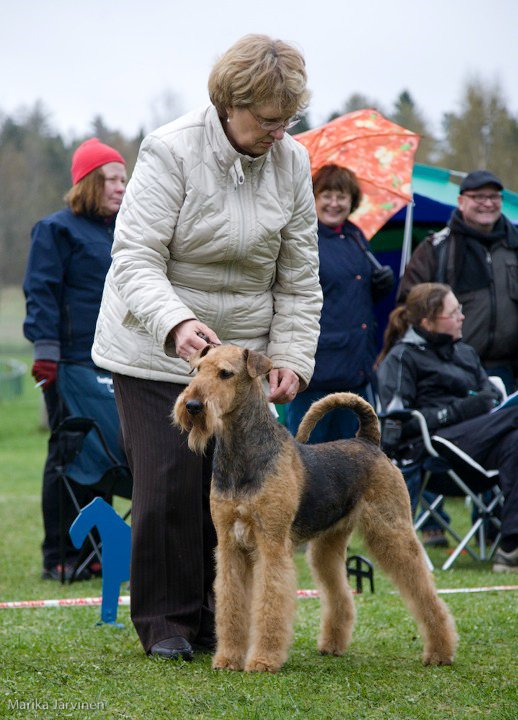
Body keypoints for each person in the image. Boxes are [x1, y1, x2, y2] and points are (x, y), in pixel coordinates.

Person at [91, 34, 323, 661]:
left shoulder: (294, 162)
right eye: (268, 119)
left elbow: (299, 276)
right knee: (170, 484)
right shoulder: (169, 150)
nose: (280, 132)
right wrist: (176, 324)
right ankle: (169, 625)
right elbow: (134, 258)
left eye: (289, 120)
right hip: (154, 346)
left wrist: (293, 358)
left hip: (241, 364)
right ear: (231, 104)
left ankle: (224, 624)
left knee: (238, 487)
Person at [23, 138, 127, 580]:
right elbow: (41, 292)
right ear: (89, 181)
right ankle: (60, 553)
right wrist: (46, 354)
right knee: (69, 454)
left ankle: (95, 548)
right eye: (112, 179)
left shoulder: (126, 232)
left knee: (106, 453)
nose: (122, 187)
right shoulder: (56, 230)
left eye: (125, 179)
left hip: (114, 362)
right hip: (68, 362)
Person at [377, 282, 518, 572]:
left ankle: (511, 547)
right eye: (454, 312)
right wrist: (459, 410)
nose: (462, 317)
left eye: (461, 311)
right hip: (438, 449)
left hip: (481, 446)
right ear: (428, 321)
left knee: (516, 440)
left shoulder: (465, 353)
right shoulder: (403, 357)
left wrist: (485, 403)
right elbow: (399, 423)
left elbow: (489, 399)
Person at [285, 164, 394, 442]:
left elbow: (351, 296)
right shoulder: (304, 238)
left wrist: (378, 286)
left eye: (342, 196)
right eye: (327, 195)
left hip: (356, 370)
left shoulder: (357, 237)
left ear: (352, 200)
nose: (334, 203)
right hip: (317, 372)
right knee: (307, 461)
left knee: (353, 463)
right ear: (314, 197)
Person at [398, 170, 518, 393]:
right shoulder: (436, 248)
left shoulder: (515, 246)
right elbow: (409, 306)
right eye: (479, 197)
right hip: (452, 370)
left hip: (509, 371)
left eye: (494, 197)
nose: (487, 203)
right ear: (461, 201)